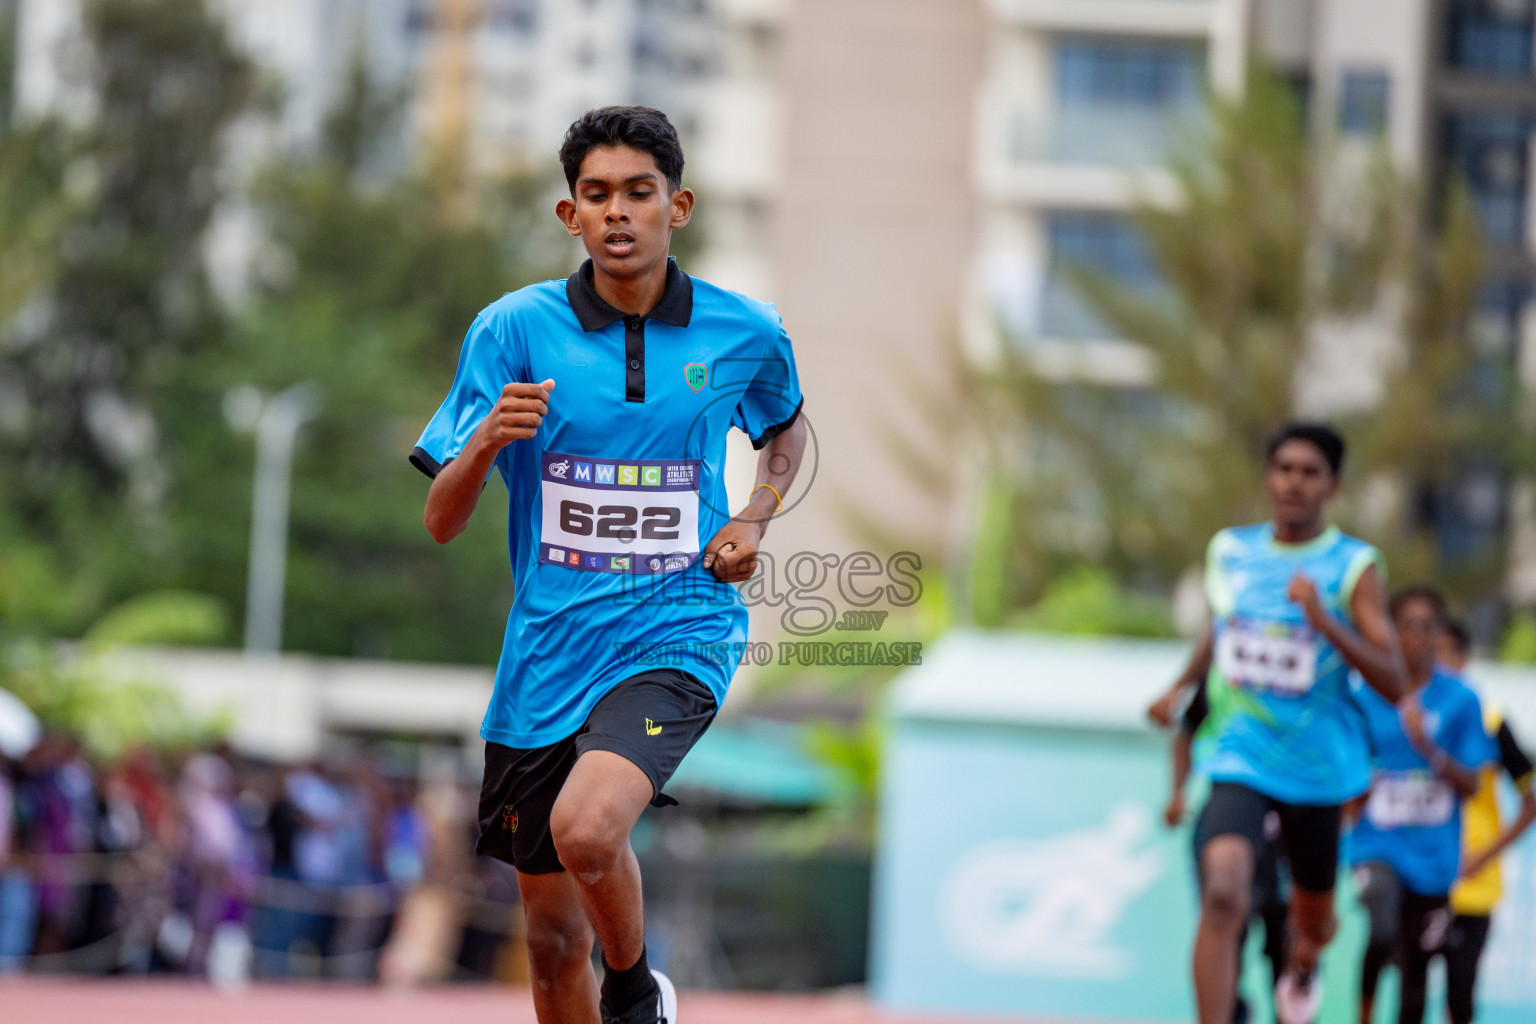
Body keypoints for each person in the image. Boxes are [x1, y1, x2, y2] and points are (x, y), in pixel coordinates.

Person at [411, 105, 806, 1024]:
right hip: (546, 657)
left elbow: (784, 424)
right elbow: (439, 519)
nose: (618, 212)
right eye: (597, 195)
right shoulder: (512, 331)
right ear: (569, 215)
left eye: (639, 192)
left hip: (681, 631)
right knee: (550, 950)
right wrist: (483, 448)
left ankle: (636, 995)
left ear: (680, 206)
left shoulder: (744, 331)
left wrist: (755, 514)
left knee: (587, 829)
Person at [1167, 422, 1407, 1024]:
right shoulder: (1230, 551)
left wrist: (1325, 621)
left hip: (1317, 768)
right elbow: (1220, 629)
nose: (1295, 483)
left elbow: (1395, 679)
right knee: (1223, 894)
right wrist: (1178, 684)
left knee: (1316, 923)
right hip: (1239, 752)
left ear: (1333, 486)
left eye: (1310, 473)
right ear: (1268, 477)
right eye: (1285, 469)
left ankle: (1304, 961)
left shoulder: (1354, 565)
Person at [1348, 587, 1494, 1024]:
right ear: (1389, 632)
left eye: (1426, 627)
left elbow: (1472, 784)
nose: (1415, 636)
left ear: (1439, 634)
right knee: (1381, 930)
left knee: (1416, 978)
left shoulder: (1462, 700)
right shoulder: (1363, 695)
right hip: (1376, 846)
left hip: (1433, 860)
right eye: (1404, 625)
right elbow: (1346, 770)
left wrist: (1427, 747)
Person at [1157, 678, 1288, 1024]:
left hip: (1286, 837)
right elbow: (1186, 727)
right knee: (1226, 914)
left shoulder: (1314, 682)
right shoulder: (1228, 673)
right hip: (1227, 822)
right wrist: (1177, 793)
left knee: (1287, 945)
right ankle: (1230, 1011)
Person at [1440, 620, 1536, 1024]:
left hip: (1474, 883)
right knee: (1407, 983)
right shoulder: (1406, 719)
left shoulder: (1492, 724)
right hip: (1418, 874)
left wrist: (1484, 854)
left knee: (1460, 990)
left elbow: (1530, 802)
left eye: (1444, 654)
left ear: (1463, 660)